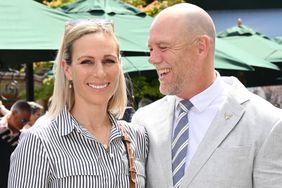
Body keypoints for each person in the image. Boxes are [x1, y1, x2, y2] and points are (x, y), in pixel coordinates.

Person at [132, 3, 282, 188]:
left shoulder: (268, 122)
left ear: (201, 46)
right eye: (151, 49)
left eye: (163, 47)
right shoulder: (143, 121)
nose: (153, 59)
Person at [8, 19, 148, 187]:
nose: (100, 72)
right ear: (67, 69)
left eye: (109, 61)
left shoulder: (138, 137)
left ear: (119, 65)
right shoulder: (38, 142)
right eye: (86, 62)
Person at [0, 100, 31, 188]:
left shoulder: (23, 136)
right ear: (14, 113)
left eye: (26, 121)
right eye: (23, 120)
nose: (24, 124)